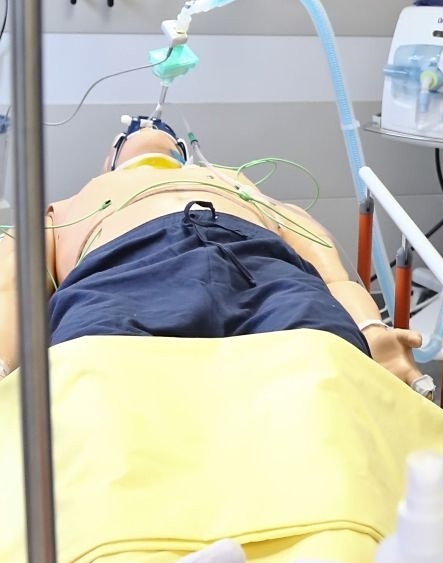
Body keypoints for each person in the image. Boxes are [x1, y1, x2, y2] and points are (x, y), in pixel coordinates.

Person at [0, 117, 420, 384]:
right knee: (98, 390)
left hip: (264, 271)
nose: (149, 125)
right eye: (132, 129)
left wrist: (370, 331)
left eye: (162, 127)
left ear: (185, 151)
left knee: (328, 367)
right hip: (124, 275)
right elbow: (12, 288)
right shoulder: (69, 205)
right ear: (108, 160)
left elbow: (331, 275)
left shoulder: (235, 181)